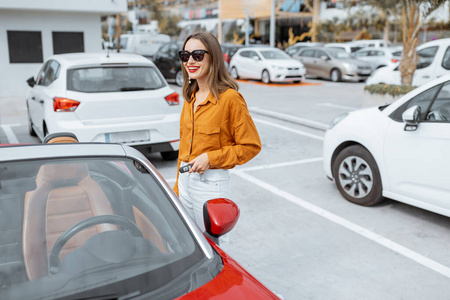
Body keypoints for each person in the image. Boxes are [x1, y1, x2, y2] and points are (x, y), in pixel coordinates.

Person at [174, 32, 261, 248]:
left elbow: (250, 146)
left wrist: (211, 158)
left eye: (198, 55)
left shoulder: (230, 99)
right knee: (190, 246)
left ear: (213, 57)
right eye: (185, 55)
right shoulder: (190, 97)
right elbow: (184, 146)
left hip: (210, 185)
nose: (190, 61)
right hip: (185, 181)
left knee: (215, 250)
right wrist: (177, 187)